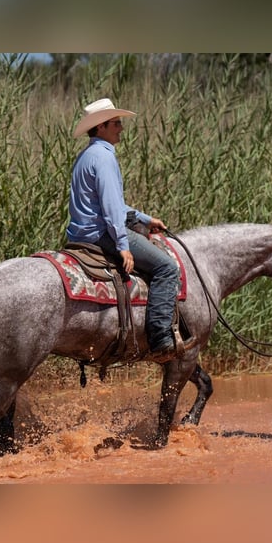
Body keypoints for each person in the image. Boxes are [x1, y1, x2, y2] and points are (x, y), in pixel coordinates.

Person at [66, 98, 180, 361]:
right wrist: (122, 246)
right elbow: (110, 209)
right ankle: (161, 339)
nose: (121, 128)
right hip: (101, 234)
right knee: (167, 268)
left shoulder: (86, 156)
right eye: (117, 123)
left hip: (80, 234)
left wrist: (145, 218)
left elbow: (112, 203)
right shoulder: (104, 157)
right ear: (102, 126)